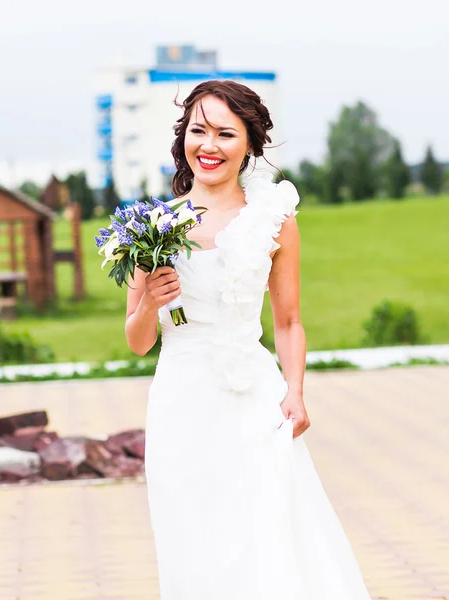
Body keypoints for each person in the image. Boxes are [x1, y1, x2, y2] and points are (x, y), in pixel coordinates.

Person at [125, 80, 372, 600]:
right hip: (181, 400)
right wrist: (149, 301)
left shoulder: (274, 220)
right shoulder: (148, 227)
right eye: (198, 130)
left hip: (252, 399)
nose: (208, 146)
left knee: (264, 529)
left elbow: (288, 321)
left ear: (249, 144)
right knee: (191, 534)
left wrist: (296, 391)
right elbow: (138, 342)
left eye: (225, 133)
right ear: (182, 138)